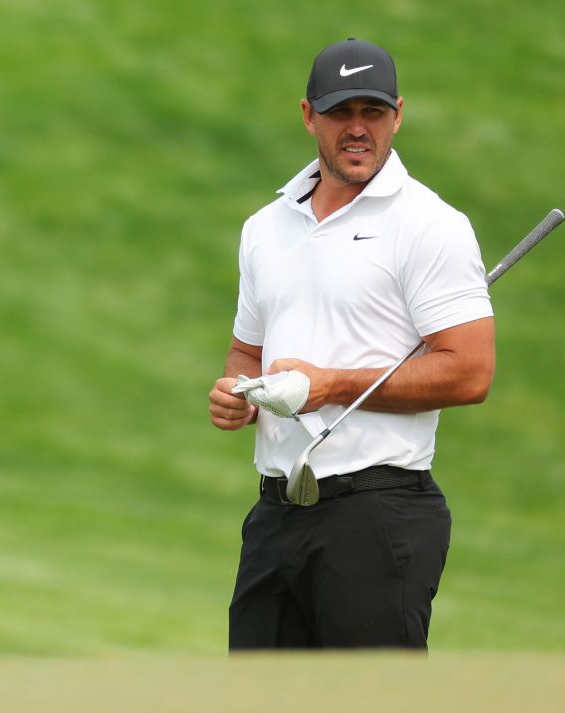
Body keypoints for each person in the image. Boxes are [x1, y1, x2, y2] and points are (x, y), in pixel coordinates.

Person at [207, 39, 495, 649]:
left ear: (398, 113)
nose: (358, 129)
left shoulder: (430, 226)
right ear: (310, 115)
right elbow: (247, 354)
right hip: (277, 513)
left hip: (379, 513)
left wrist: (328, 386)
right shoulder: (266, 228)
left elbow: (469, 372)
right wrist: (241, 395)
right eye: (341, 113)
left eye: (374, 111)